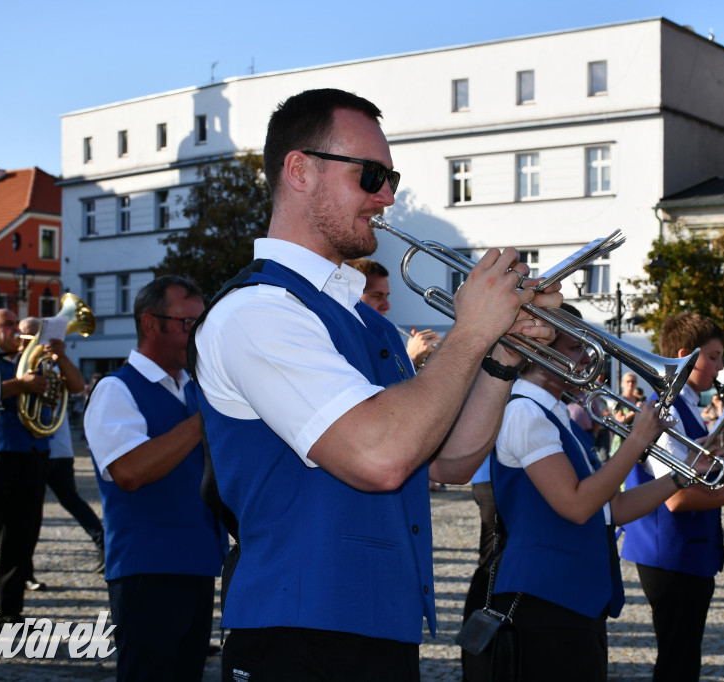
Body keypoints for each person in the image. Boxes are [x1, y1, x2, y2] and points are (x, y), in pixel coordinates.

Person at [191, 87, 560, 680]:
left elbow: (445, 462)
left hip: (376, 625)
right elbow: (380, 455)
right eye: (371, 175)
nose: (387, 195)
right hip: (298, 632)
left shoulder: (367, 321)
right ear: (299, 170)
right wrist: (470, 332)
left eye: (391, 177)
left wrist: (503, 356)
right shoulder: (257, 311)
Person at [462, 303, 695, 681]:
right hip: (543, 599)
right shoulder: (525, 413)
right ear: (538, 353)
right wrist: (635, 442)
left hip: (573, 600)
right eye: (575, 347)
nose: (588, 357)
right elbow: (575, 505)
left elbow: (612, 507)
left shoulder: (554, 412)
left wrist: (683, 478)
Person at [619, 313, 724, 682]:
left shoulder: (687, 404)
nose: (721, 366)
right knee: (678, 658)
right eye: (714, 356)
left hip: (685, 548)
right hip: (669, 549)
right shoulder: (668, 410)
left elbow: (695, 469)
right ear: (684, 356)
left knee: (684, 655)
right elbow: (675, 497)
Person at [85, 276, 228, 682]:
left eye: (201, 325)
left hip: (197, 561)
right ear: (151, 324)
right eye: (188, 324)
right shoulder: (116, 389)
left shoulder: (193, 388)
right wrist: (203, 421)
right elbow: (129, 472)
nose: (196, 336)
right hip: (146, 567)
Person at [0, 308, 84, 623]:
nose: (17, 328)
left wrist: (61, 357)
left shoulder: (37, 359)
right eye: (7, 324)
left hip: (34, 452)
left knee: (22, 536)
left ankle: (10, 611)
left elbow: (78, 387)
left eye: (16, 322)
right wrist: (21, 385)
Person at [16, 318, 104, 581]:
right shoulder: (14, 365)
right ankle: (25, 569)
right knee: (28, 510)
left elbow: (78, 387)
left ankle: (103, 543)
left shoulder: (53, 362)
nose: (33, 342)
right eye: (27, 336)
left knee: (71, 499)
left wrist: (61, 357)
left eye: (37, 336)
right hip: (24, 448)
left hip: (57, 446)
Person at [345, 256, 442, 371]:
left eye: (386, 296)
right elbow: (375, 385)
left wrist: (417, 364)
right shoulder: (340, 339)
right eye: (376, 296)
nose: (387, 306)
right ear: (348, 295)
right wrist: (410, 359)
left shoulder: (379, 339)